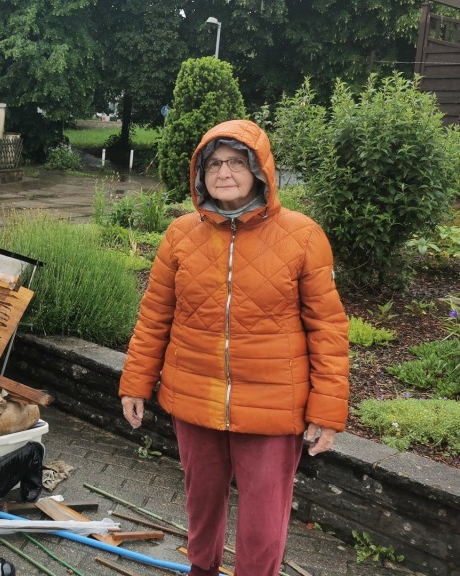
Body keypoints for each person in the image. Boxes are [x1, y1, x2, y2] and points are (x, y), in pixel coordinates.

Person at [118, 119, 349, 576]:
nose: (224, 172)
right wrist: (135, 384)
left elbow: (328, 328)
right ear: (200, 174)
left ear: (260, 169)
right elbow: (154, 316)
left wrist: (327, 411)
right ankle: (200, 570)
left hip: (272, 407)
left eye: (237, 162)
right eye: (214, 164)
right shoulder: (180, 235)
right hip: (195, 398)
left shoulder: (302, 236)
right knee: (201, 505)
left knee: (264, 522)